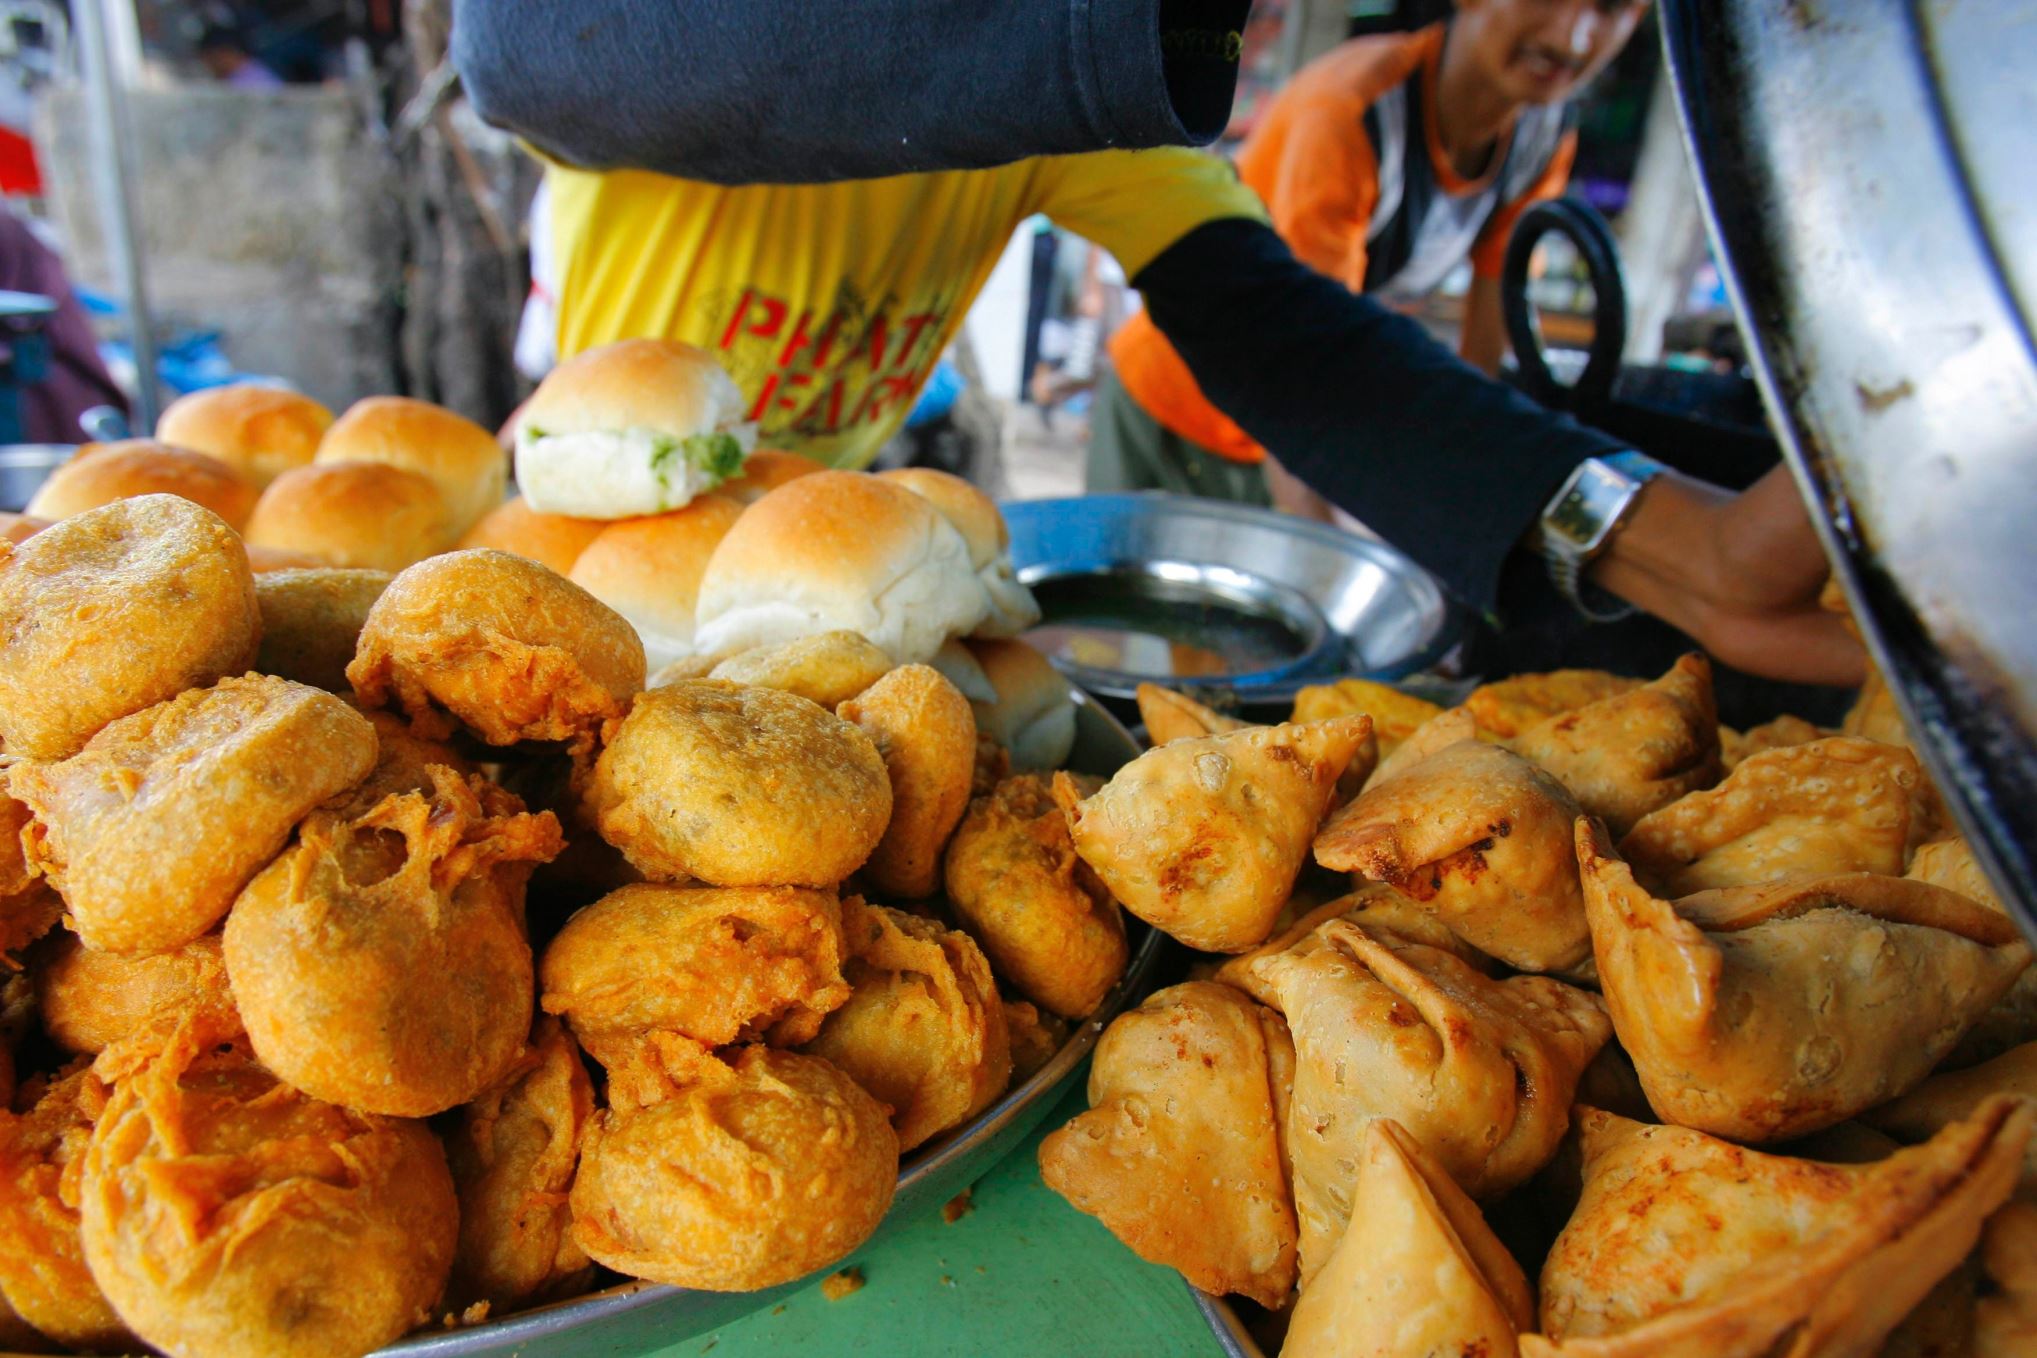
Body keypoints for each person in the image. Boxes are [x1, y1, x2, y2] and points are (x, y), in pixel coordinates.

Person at [451, 3, 1861, 689]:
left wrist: (1656, 534)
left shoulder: (1051, 106)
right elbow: (532, 55)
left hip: (806, 580)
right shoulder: (693, 37)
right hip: (593, 570)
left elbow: (1282, 330)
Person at [1096, 0, 1646, 512]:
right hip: (1175, 406)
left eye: (1613, 4)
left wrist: (1469, 492)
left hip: (1281, 438)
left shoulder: (1541, 137)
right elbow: (1298, 373)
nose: (1574, 35)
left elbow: (1485, 347)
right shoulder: (1351, 112)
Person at [197, 26, 285, 91]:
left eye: (211, 58)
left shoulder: (250, 81)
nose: (208, 65)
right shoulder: (248, 70)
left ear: (225, 53)